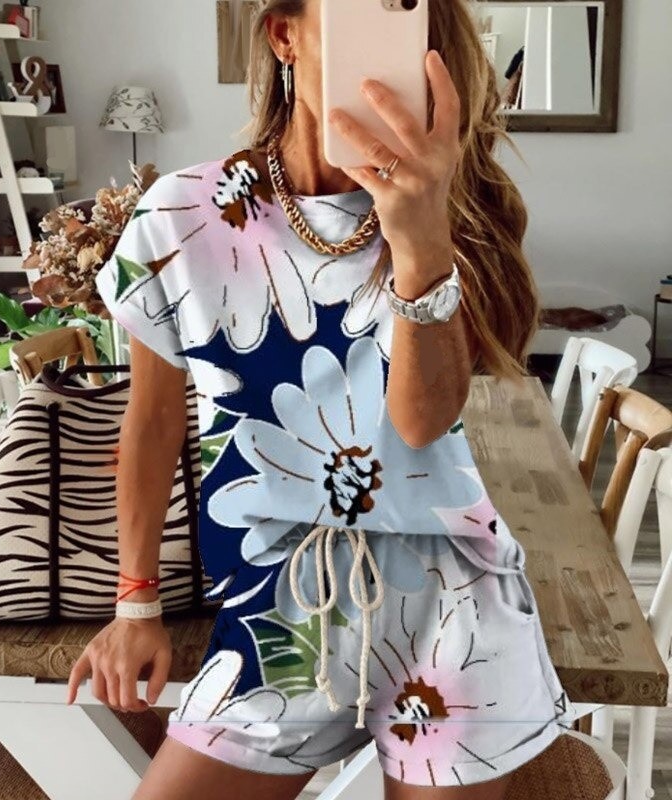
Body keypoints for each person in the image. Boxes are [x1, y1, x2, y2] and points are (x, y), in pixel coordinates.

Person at [68, 1, 579, 797]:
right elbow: (154, 421)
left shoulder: (453, 209)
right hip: (273, 606)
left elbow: (420, 421)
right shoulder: (180, 216)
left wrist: (420, 240)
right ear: (285, 34)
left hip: (450, 608)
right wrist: (135, 606)